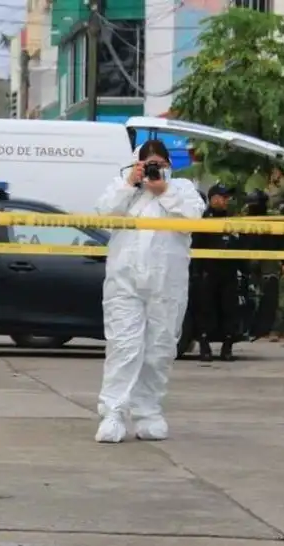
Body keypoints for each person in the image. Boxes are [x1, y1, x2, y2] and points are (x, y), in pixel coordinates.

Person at [93, 139, 206, 443]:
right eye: (148, 164)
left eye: (160, 163)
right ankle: (113, 413)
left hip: (166, 285)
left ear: (169, 165)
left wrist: (164, 191)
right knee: (124, 347)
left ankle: (148, 412)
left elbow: (194, 218)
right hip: (124, 283)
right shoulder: (125, 188)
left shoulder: (181, 189)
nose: (155, 170)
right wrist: (130, 183)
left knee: (159, 349)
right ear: (137, 165)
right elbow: (103, 213)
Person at [191, 183, 243, 361]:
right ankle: (204, 347)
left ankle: (227, 347)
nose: (226, 201)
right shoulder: (203, 221)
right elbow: (195, 246)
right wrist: (197, 273)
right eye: (223, 197)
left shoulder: (232, 220)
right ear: (213, 198)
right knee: (206, 310)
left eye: (228, 197)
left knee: (230, 311)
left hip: (228, 274)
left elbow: (240, 247)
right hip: (208, 273)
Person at [243, 189, 284, 341]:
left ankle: (264, 329)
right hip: (248, 260)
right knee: (249, 295)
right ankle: (249, 328)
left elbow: (281, 242)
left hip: (268, 260)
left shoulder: (273, 223)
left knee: (269, 295)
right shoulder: (244, 222)